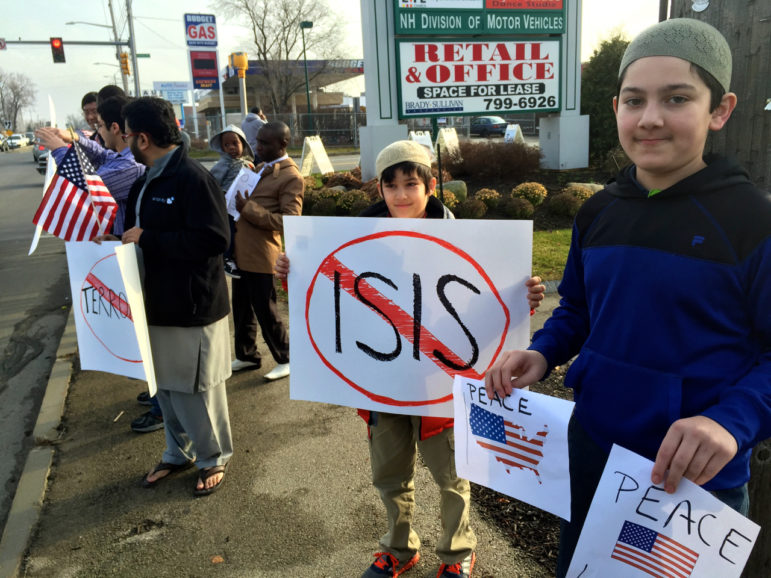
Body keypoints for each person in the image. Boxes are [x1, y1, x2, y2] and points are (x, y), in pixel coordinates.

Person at [484, 18, 771, 577]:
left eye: (678, 98)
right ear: (616, 107)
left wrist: (730, 422)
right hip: (593, 453)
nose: (651, 117)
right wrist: (542, 352)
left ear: (721, 110)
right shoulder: (597, 212)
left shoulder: (752, 223)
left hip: (690, 481)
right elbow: (580, 311)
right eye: (635, 100)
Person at [275, 140, 546, 578]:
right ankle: (399, 548)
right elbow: (328, 305)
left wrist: (521, 298)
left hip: (442, 383)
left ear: (430, 185)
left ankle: (458, 553)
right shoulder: (353, 244)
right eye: (392, 185)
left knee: (452, 475)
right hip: (383, 383)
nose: (402, 194)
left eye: (411, 184)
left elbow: (484, 308)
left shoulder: (468, 240)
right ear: (378, 189)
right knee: (389, 473)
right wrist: (296, 274)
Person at [97, 96, 234, 496]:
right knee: (168, 388)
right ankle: (178, 452)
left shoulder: (193, 178)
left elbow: (215, 238)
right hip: (154, 302)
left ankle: (214, 457)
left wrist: (150, 239)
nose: (119, 141)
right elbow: (137, 233)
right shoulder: (146, 179)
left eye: (123, 134)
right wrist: (116, 243)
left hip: (192, 306)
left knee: (197, 389)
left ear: (141, 138)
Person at [230, 121, 302, 381]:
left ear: (282, 144)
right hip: (242, 249)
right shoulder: (260, 168)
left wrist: (248, 209)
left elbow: (289, 220)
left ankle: (286, 357)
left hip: (262, 254)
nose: (258, 147)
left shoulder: (291, 176)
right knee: (241, 307)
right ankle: (247, 354)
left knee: (265, 308)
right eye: (257, 141)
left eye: (264, 143)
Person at [36, 95, 145, 238]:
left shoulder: (130, 166)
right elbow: (101, 155)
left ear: (114, 128)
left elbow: (86, 188)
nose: (97, 132)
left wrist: (60, 150)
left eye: (100, 125)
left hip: (126, 247)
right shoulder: (121, 157)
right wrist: (73, 137)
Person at [208, 124, 255, 278]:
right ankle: (226, 258)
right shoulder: (224, 164)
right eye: (226, 145)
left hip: (240, 204)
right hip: (226, 204)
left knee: (238, 230)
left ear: (243, 144)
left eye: (235, 143)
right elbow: (213, 182)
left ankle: (234, 255)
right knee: (229, 230)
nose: (231, 148)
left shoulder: (246, 162)